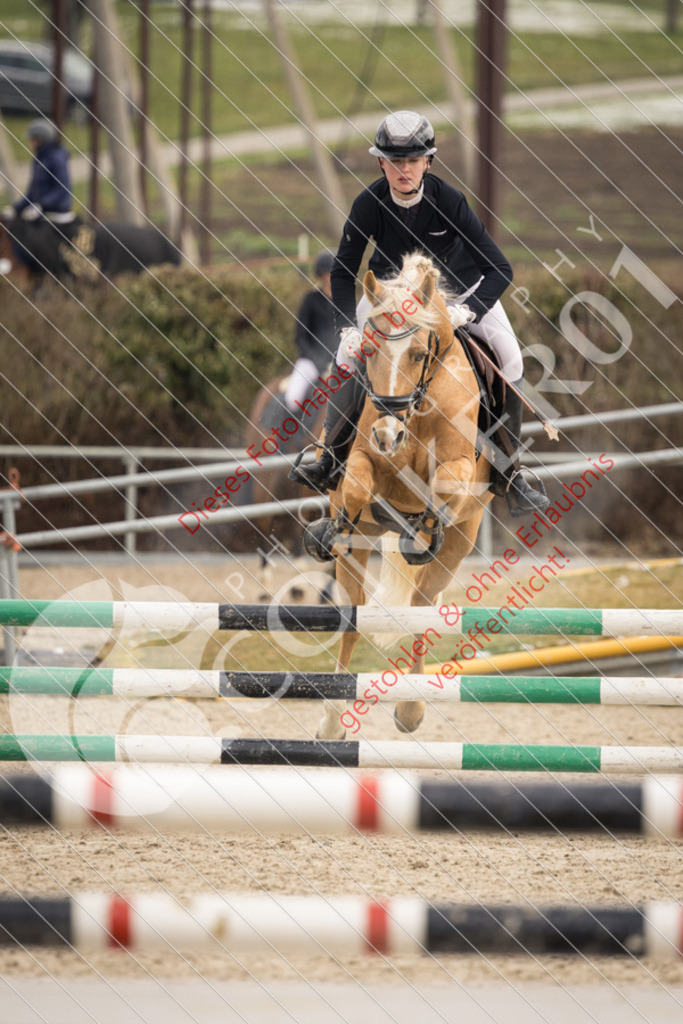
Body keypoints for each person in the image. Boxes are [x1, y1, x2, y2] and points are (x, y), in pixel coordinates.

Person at [290, 110, 549, 517]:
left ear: (428, 161)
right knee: (346, 356)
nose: (403, 170)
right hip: (393, 297)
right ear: (381, 162)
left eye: (412, 161)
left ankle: (510, 472)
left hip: (460, 291)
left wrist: (469, 311)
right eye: (394, 161)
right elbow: (343, 270)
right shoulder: (369, 203)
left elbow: (500, 269)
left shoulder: (448, 200)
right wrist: (346, 329)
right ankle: (330, 456)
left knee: (511, 357)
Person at [4, 119, 77, 275]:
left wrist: (41, 206)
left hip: (57, 214)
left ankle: (48, 273)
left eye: (32, 139)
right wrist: (15, 209)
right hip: (42, 212)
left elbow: (62, 189)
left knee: (35, 242)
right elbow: (32, 193)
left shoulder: (56, 159)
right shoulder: (39, 160)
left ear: (41, 139)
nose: (30, 142)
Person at [284, 251, 338, 414]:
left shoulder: (345, 303)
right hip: (310, 363)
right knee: (293, 399)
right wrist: (320, 362)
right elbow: (300, 338)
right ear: (320, 276)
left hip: (338, 363)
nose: (331, 279)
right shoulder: (311, 300)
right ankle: (290, 435)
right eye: (327, 275)